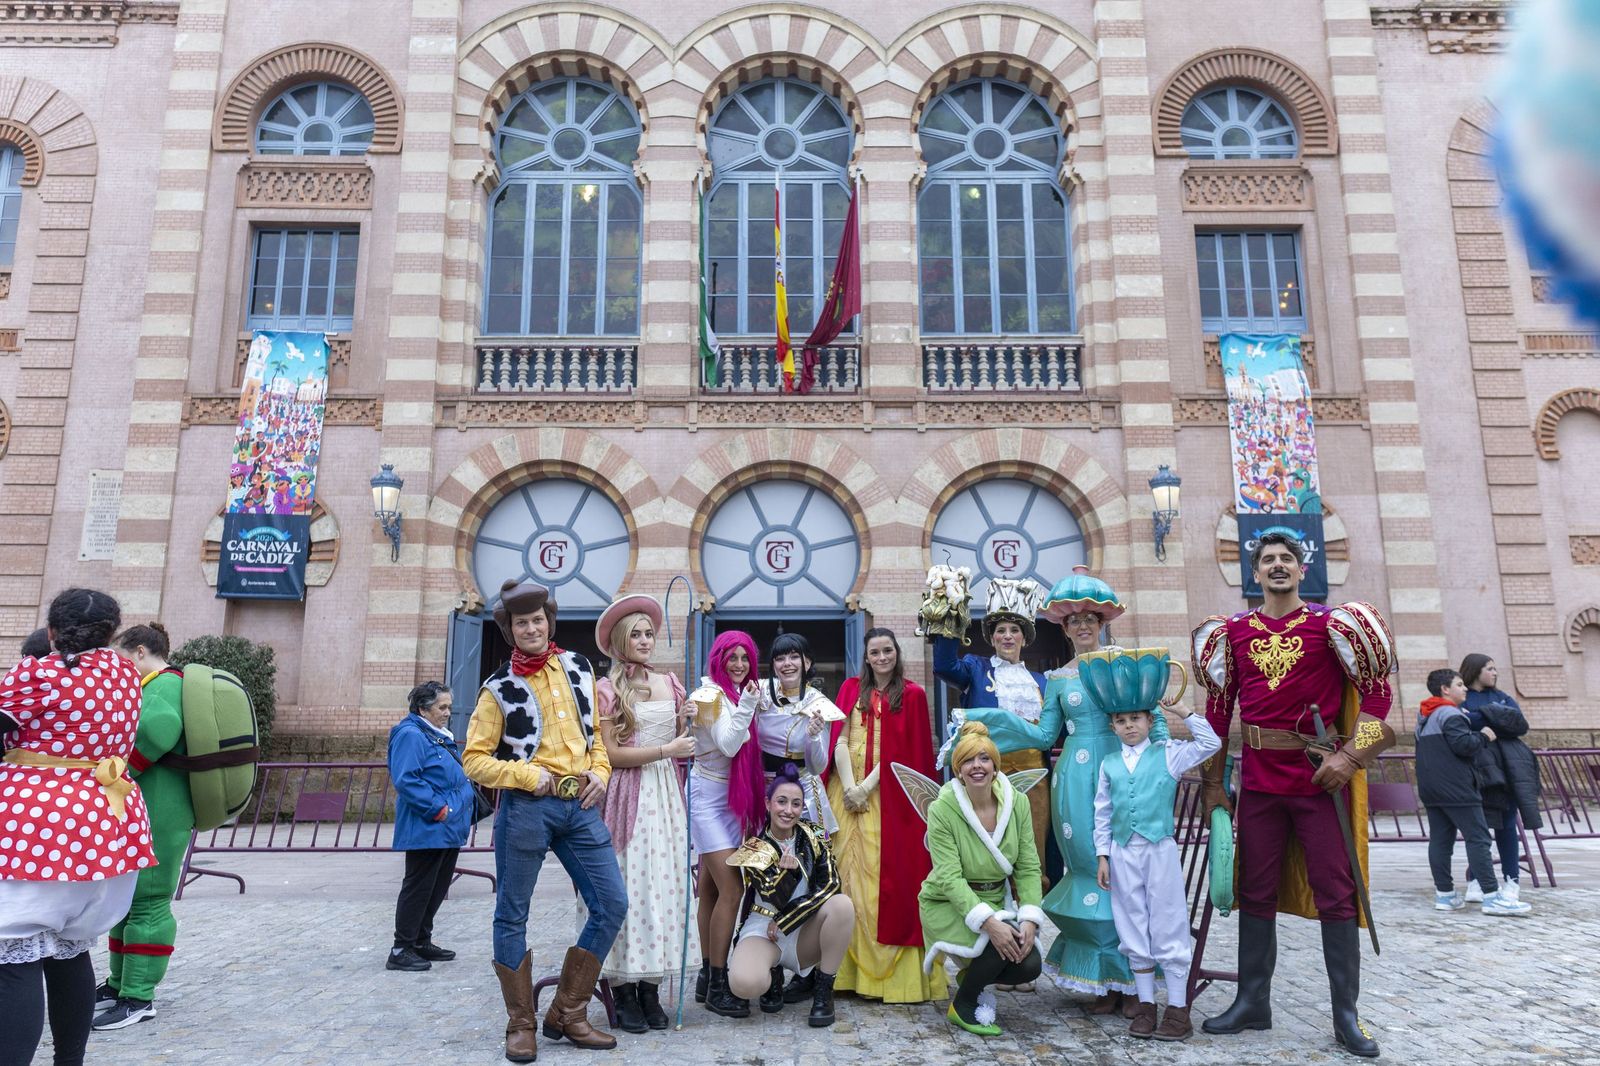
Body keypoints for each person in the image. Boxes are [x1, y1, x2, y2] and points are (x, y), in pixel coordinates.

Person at [1194, 532, 1397, 1058]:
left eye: (1287, 558)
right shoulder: (1233, 633)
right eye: (1268, 560)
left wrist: (1350, 758)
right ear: (1255, 573)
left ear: (1302, 570)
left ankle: (1346, 1016)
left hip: (1319, 783)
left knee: (1336, 892)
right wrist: (1213, 784)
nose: (1278, 565)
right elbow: (1217, 714)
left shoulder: (1332, 625)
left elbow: (1379, 696)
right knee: (1254, 889)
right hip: (1259, 785)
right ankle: (1252, 1002)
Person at [961, 566, 1144, 1009]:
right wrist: (988, 724)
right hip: (1074, 781)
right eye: (1073, 621)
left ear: (1102, 623)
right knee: (1088, 866)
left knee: (1127, 867)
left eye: (1089, 620)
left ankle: (1135, 978)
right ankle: (1103, 976)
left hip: (1120, 772)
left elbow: (1147, 718)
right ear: (1064, 629)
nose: (1082, 627)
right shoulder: (1058, 679)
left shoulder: (1123, 664)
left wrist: (1160, 770)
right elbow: (1044, 736)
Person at [464, 579, 623, 1063]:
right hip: (526, 809)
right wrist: (527, 776)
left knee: (611, 903)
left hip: (581, 808)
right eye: (521, 623)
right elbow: (473, 760)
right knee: (512, 914)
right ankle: (520, 1023)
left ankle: (567, 1013)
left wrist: (601, 774)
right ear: (510, 630)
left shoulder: (580, 667)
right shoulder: (497, 689)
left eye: (537, 620)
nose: (531, 629)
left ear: (549, 622)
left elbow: (596, 739)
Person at [0, 588, 155, 1066]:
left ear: (51, 631)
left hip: (37, 824)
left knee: (13, 953)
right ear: (110, 633)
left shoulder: (38, 673)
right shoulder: (126, 674)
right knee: (68, 949)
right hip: (107, 819)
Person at [591, 594, 697, 1033]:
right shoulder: (607, 689)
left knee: (664, 887)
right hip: (627, 794)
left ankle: (651, 987)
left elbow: (682, 742)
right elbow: (612, 754)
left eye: (649, 633)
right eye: (635, 634)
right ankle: (623, 989)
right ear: (620, 640)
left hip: (667, 795)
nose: (644, 640)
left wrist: (686, 719)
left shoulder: (670, 682)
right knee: (629, 887)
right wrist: (667, 749)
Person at [823, 627, 945, 1003]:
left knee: (884, 882)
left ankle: (887, 981)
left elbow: (907, 755)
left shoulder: (913, 694)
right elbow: (839, 737)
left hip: (888, 798)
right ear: (866, 656)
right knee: (843, 881)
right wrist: (849, 787)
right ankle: (840, 974)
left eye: (887, 651)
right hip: (846, 795)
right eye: (875, 652)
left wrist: (866, 788)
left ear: (897, 652)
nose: (881, 658)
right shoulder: (850, 689)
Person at [1093, 697, 1221, 1041]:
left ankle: (1178, 1010)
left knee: (1167, 919)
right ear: (1113, 727)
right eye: (1121, 720)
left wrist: (1183, 713)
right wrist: (1103, 855)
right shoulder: (1109, 764)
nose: (1129, 726)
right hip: (1122, 852)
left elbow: (1211, 743)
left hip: (1158, 850)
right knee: (1131, 922)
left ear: (1150, 722)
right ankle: (1146, 1005)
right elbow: (1102, 812)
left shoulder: (1168, 754)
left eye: (1136, 718)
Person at [89, 623, 198, 1031]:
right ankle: (120, 984)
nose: (118, 668)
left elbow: (157, 729)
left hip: (162, 812)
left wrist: (115, 774)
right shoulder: (156, 685)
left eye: (122, 659)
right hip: (149, 809)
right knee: (129, 899)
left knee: (149, 899)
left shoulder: (165, 687)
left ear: (139, 652)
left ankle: (138, 996)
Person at [917, 722, 1045, 1036]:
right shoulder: (943, 809)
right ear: (958, 770)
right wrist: (989, 922)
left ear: (995, 766)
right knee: (996, 942)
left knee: (1030, 964)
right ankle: (963, 1004)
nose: (977, 766)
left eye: (984, 759)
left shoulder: (1018, 803)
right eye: (968, 760)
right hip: (948, 902)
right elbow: (949, 877)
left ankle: (973, 976)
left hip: (996, 898)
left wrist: (1029, 918)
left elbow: (1028, 866)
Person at [932, 577, 1050, 912]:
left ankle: (1028, 916)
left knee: (1031, 850)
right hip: (985, 774)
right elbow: (944, 666)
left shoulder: (1042, 682)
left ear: (1024, 637)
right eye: (1000, 631)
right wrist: (949, 614)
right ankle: (987, 915)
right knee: (986, 843)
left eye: (1014, 630)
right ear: (992, 637)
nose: (1007, 636)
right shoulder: (975, 667)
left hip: (1035, 777)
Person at [746, 631, 842, 1005]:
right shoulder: (759, 694)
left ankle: (809, 972)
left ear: (807, 662)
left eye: (794, 656)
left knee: (808, 877)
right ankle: (769, 968)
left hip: (802, 793)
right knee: (762, 874)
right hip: (763, 791)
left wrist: (815, 736)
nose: (787, 663)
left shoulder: (820, 704)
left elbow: (818, 765)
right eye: (780, 657)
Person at [726, 763, 855, 1027]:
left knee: (842, 906)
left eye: (796, 804)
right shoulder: (754, 847)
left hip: (803, 929)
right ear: (768, 803)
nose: (788, 810)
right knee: (744, 983)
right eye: (781, 802)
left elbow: (831, 884)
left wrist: (787, 920)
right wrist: (789, 875)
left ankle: (823, 993)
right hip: (764, 928)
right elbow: (771, 894)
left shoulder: (815, 834)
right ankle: (770, 974)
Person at [1414, 670, 1530, 916]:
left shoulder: (1426, 715)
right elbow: (1463, 746)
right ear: (1445, 689)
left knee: (1440, 841)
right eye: (1459, 684)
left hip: (1431, 789)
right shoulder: (1451, 714)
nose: (1465, 688)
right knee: (1478, 839)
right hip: (1458, 788)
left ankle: (1445, 895)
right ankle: (1492, 896)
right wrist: (1484, 736)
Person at [690, 631, 762, 1018]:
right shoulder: (709, 696)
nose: (738, 665)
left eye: (745, 658)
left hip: (731, 803)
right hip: (707, 800)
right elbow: (729, 744)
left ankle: (706, 976)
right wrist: (750, 703)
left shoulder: (734, 694)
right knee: (732, 888)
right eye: (731, 657)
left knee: (711, 890)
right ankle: (719, 986)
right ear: (718, 658)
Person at [384, 681, 474, 972]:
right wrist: (438, 809)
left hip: (445, 825)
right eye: (442, 707)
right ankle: (401, 948)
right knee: (419, 886)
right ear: (423, 709)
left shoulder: (433, 734)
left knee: (435, 887)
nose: (448, 712)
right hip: (428, 825)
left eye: (449, 706)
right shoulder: (411, 734)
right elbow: (406, 779)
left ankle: (421, 941)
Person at [1458, 654, 1542, 906]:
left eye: (1495, 668)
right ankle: (1476, 880)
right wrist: (1496, 716)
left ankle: (1511, 881)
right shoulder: (1463, 696)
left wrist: (1481, 716)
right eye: (1490, 669)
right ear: (1476, 671)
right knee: (1478, 829)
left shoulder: (1502, 696)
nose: (1495, 673)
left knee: (1506, 827)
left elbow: (1519, 723)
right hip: (1477, 770)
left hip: (1508, 771)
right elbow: (1463, 722)